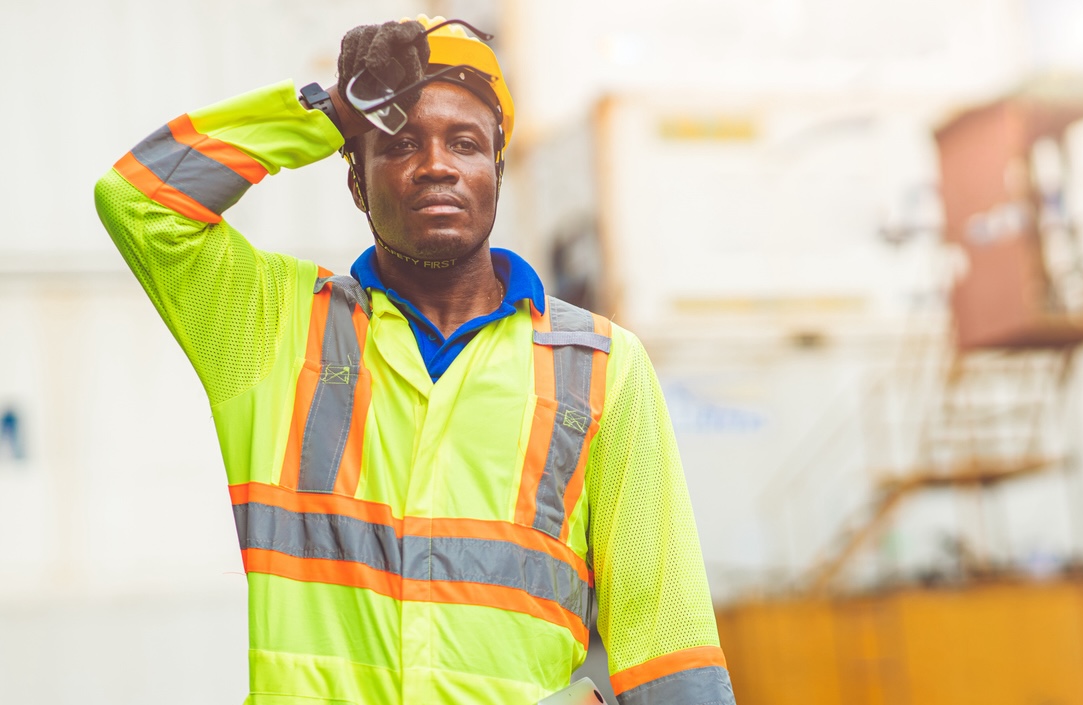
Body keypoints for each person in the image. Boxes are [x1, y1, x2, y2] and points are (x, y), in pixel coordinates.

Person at [94, 15, 736, 705]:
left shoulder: (603, 364)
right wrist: (332, 112)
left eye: (465, 143)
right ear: (357, 185)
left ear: (496, 170)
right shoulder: (273, 327)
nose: (437, 164)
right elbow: (138, 200)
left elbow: (665, 636)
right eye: (399, 144)